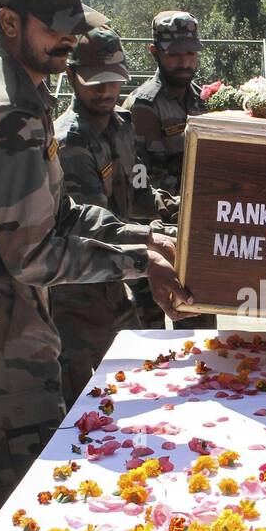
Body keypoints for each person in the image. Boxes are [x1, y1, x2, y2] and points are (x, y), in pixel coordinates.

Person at [0, 0, 190, 519]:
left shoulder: (25, 93)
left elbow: (59, 213)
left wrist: (143, 240)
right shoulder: (8, 114)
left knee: (53, 507)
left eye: (73, 27)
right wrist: (139, 263)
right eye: (55, 29)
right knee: (35, 520)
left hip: (11, 322)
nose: (68, 41)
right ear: (9, 21)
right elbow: (34, 255)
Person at [50, 25, 176, 404]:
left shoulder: (121, 128)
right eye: (95, 83)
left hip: (116, 283)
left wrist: (183, 215)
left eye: (113, 82)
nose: (106, 92)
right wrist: (157, 239)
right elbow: (95, 225)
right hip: (76, 293)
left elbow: (138, 195)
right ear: (72, 76)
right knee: (79, 407)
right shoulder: (69, 142)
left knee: (136, 384)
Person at [124, 10, 214, 330]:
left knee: (199, 326)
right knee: (149, 331)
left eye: (190, 53)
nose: (184, 61)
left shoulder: (201, 101)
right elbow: (139, 183)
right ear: (155, 52)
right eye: (174, 54)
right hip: (151, 234)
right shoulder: (142, 106)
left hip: (191, 232)